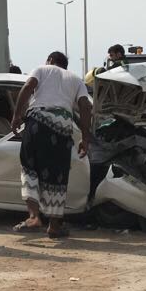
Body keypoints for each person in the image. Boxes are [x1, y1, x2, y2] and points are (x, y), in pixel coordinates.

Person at [11, 51, 92, 238]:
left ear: (50, 60)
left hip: (38, 121)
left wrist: (16, 115)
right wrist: (85, 138)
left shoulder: (41, 69)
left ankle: (34, 217)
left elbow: (28, 87)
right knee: (58, 174)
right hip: (62, 127)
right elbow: (85, 106)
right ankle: (54, 226)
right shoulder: (76, 80)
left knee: (29, 166)